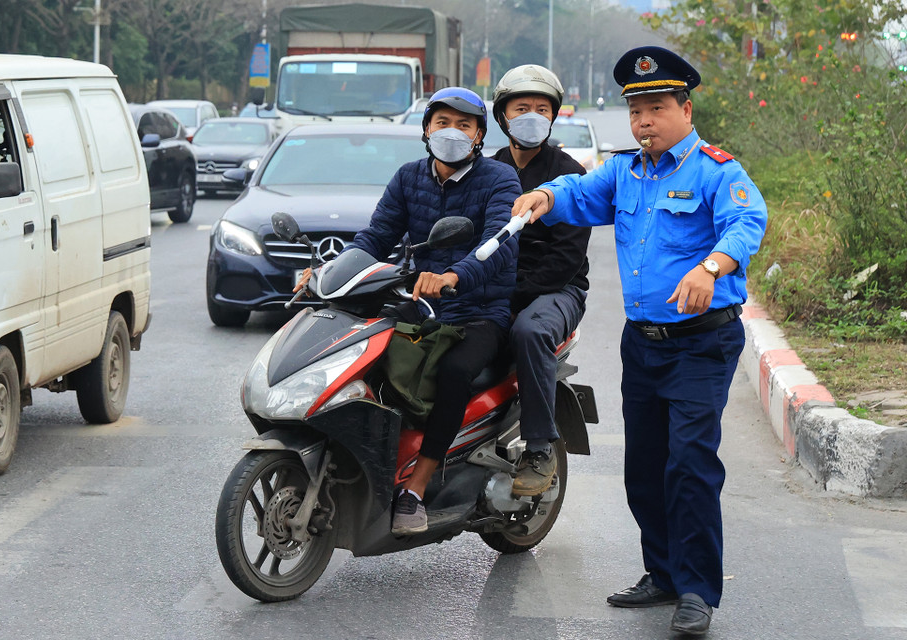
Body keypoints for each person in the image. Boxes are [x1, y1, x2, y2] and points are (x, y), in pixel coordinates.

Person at [511, 46, 767, 636]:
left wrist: (711, 267)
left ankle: (698, 589)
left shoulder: (716, 169)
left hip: (703, 344)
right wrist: (545, 197)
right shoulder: (625, 172)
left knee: (691, 465)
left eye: (655, 107)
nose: (644, 121)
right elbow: (578, 193)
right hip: (643, 344)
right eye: (636, 112)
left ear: (685, 107)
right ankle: (663, 574)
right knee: (645, 468)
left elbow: (746, 223)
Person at [295, 87, 521, 535]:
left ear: (479, 135)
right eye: (442, 122)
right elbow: (375, 237)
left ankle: (415, 488)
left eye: (464, 125)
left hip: (478, 311)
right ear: (425, 129)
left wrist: (454, 276)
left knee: (453, 373)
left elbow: (499, 244)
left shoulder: (500, 180)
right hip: (417, 305)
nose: (451, 132)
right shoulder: (408, 177)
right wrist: (325, 272)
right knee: (362, 358)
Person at [489, 64, 590, 496]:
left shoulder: (568, 175)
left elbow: (566, 259)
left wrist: (512, 295)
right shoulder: (486, 170)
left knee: (530, 331)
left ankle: (539, 447)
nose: (532, 115)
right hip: (493, 286)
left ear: (553, 117)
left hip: (557, 291)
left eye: (541, 108)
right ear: (503, 116)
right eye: (522, 107)